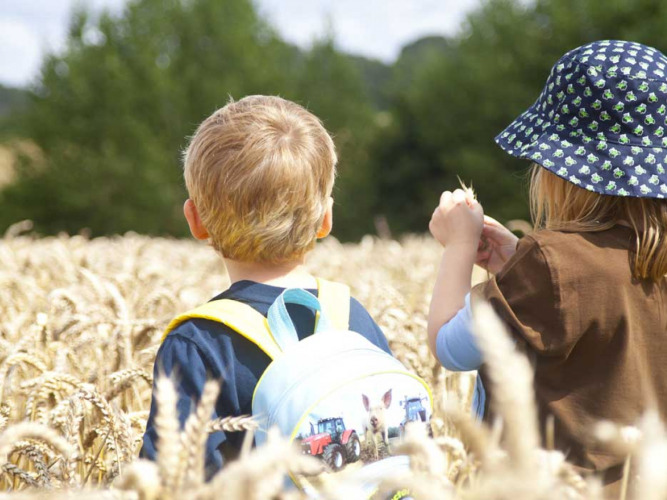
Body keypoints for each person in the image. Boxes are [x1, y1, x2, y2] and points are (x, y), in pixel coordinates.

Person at [426, 40, 667, 491]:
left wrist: (458, 247)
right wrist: (514, 264)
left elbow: (448, 347)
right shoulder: (652, 258)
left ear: (560, 170)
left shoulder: (552, 262)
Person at [140, 95, 391, 478]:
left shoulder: (198, 343)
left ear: (195, 220)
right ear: (326, 218)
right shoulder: (353, 316)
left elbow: (169, 480)